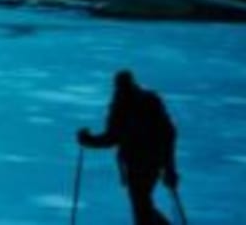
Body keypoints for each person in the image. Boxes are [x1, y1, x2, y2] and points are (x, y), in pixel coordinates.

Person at [77, 70, 180, 225]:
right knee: (142, 204)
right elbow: (168, 133)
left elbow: (111, 138)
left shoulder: (123, 105)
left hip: (139, 163)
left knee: (141, 205)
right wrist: (169, 167)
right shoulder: (150, 100)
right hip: (150, 162)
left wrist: (88, 140)